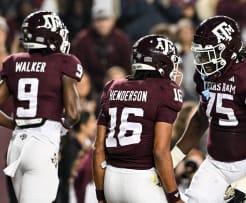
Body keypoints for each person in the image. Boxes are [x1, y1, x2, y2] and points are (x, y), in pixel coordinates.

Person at [171, 15, 246, 203]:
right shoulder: (205, 73)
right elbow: (200, 118)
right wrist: (173, 157)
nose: (203, 60)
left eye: (209, 53)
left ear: (228, 50)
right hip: (216, 164)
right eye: (201, 53)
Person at [0, 10, 83, 202]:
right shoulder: (63, 62)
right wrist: (63, 126)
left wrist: (15, 124)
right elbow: (73, 113)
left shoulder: (14, 62)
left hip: (16, 146)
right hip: (42, 144)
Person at [93, 34, 184, 203]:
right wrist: (174, 197)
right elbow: (160, 151)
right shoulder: (165, 90)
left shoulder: (112, 87)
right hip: (142, 181)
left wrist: (100, 195)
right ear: (162, 63)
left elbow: (98, 149)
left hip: (112, 180)